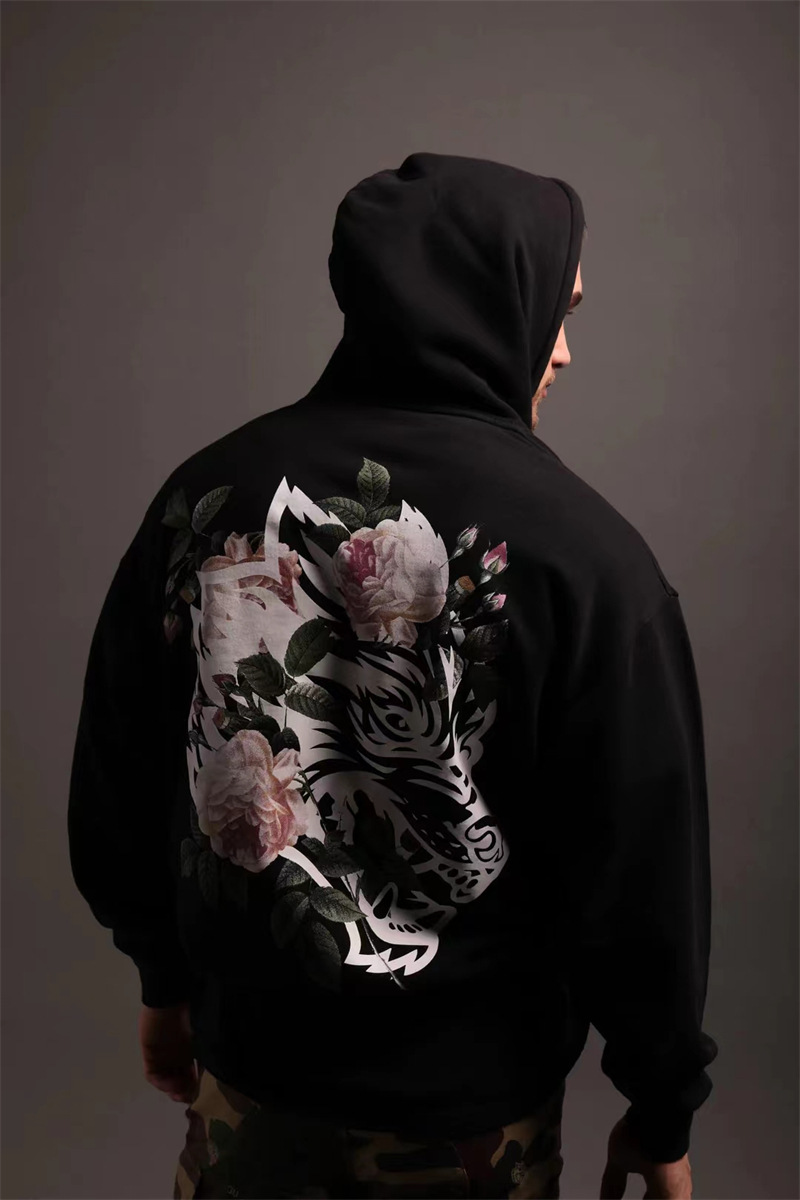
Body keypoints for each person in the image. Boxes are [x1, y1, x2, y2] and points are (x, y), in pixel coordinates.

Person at [67, 151, 718, 1199]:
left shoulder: (205, 495)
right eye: (556, 311)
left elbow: (120, 768)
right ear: (487, 302)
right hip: (471, 1129)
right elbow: (640, 868)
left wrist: (163, 980)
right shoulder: (587, 558)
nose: (562, 351)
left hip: (248, 1088)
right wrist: (659, 1104)